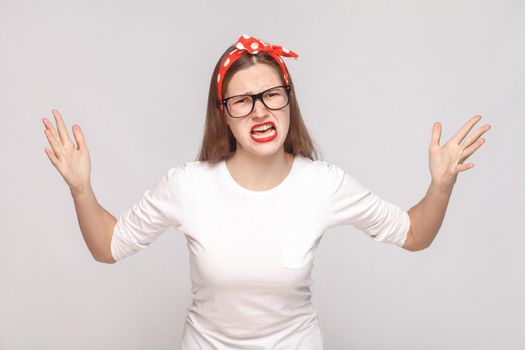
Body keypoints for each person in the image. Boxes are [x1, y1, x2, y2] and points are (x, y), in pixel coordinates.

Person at [42, 33, 491, 349]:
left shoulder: (322, 184)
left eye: (272, 95)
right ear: (224, 114)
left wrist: (440, 186)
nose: (261, 110)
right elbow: (109, 245)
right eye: (242, 100)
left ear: (288, 100)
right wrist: (81, 189)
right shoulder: (188, 185)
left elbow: (414, 233)